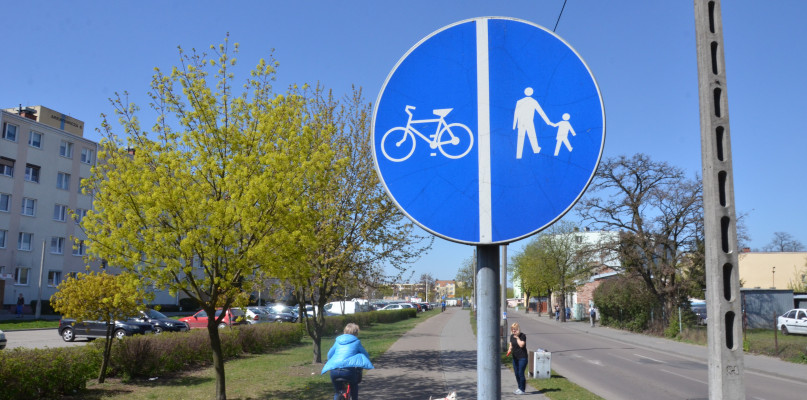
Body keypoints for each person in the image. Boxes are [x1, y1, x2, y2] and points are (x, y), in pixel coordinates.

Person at [321, 323, 374, 400]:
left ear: (344, 331)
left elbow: (329, 354)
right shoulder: (357, 342)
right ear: (356, 333)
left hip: (334, 372)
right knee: (354, 386)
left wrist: (333, 363)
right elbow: (365, 354)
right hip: (348, 372)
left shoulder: (337, 341)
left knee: (338, 392)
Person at [512, 87, 553, 159]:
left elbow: (516, 114)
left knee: (520, 139)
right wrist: (548, 122)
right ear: (532, 92)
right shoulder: (533, 101)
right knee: (532, 136)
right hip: (529, 122)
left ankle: (519, 154)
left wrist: (514, 125)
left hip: (521, 123)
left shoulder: (519, 101)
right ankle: (536, 150)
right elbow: (541, 112)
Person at [508, 322, 528, 395]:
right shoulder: (511, 336)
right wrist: (509, 349)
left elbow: (521, 345)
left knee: (520, 373)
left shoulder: (523, 336)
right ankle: (519, 388)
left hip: (522, 358)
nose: (514, 331)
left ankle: (522, 389)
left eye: (515, 329)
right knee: (516, 373)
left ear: (518, 329)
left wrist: (517, 338)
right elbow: (511, 344)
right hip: (515, 358)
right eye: (513, 329)